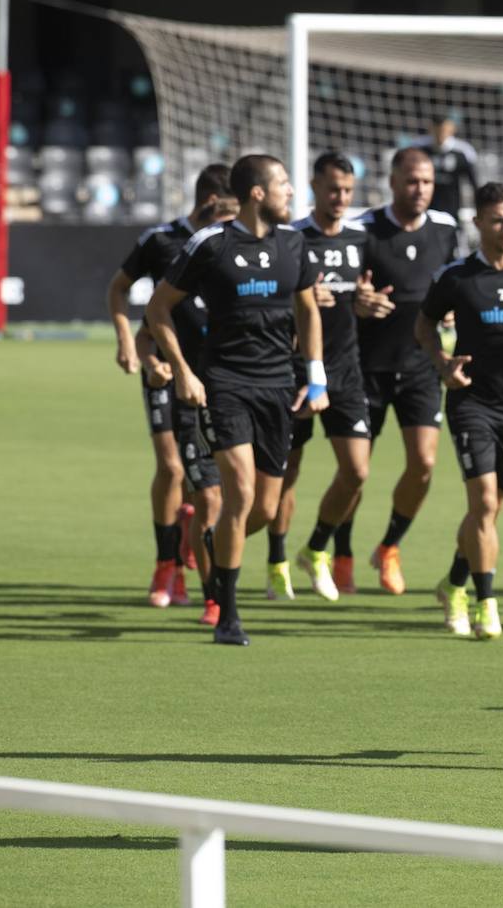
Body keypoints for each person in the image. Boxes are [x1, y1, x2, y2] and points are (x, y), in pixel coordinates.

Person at [145, 154, 327, 646]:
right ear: (258, 194)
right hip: (224, 384)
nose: (292, 192)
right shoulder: (209, 243)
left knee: (264, 510)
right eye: (285, 184)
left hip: (278, 388)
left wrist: (316, 378)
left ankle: (210, 540)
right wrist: (183, 371)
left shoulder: (295, 243)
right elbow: (158, 307)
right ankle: (227, 614)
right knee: (240, 493)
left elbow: (309, 311)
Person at [417, 182, 503, 637]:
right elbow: (424, 323)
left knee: (486, 514)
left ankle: (453, 583)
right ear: (478, 223)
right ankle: (485, 603)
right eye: (497, 219)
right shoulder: (456, 277)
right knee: (484, 502)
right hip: (472, 403)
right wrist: (441, 363)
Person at [107, 164, 236, 609]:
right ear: (208, 205)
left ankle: (190, 538)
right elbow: (119, 289)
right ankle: (167, 566)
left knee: (207, 484)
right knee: (172, 467)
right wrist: (129, 342)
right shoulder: (162, 241)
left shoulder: (233, 246)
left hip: (214, 377)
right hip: (163, 367)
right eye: (226, 214)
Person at [348, 148, 459, 594]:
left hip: (419, 366)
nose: (420, 190)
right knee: (354, 471)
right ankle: (338, 549)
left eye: (427, 182)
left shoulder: (446, 230)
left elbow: (455, 283)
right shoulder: (364, 231)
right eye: (412, 181)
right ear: (392, 182)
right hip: (363, 367)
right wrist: (357, 303)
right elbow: (344, 294)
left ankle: (389, 546)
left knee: (425, 464)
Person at [266, 151, 375, 602]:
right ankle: (276, 562)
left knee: (356, 471)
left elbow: (371, 293)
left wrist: (367, 304)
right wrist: (303, 301)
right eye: (333, 189)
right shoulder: (291, 239)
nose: (340, 198)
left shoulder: (361, 238)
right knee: (287, 472)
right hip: (294, 370)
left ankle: (315, 548)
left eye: (348, 191)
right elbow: (271, 302)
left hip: (346, 370)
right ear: (314, 186)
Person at [415, 117, 479, 220]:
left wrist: (479, 205)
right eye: (437, 130)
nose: (440, 133)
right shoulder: (420, 151)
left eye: (444, 130)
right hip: (425, 207)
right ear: (431, 129)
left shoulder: (462, 152)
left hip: (451, 208)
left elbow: (473, 182)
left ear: (452, 129)